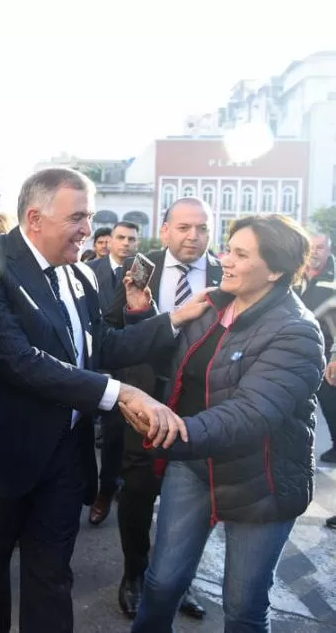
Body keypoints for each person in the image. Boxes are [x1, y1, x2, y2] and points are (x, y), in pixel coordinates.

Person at [0, 167, 204, 633]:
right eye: (79, 218)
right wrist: (120, 392)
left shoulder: (81, 275)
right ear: (35, 218)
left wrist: (176, 319)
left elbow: (103, 346)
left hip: (64, 461)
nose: (90, 230)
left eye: (89, 217)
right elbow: (19, 361)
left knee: (51, 578)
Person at [129, 214, 324, 633]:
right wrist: (148, 317)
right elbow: (176, 373)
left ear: (274, 270)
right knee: (161, 582)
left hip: (262, 478)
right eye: (227, 249)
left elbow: (251, 414)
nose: (225, 260)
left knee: (243, 605)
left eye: (239, 254)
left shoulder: (297, 332)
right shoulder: (210, 305)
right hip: (194, 463)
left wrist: (172, 431)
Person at [105, 197, 219, 620]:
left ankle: (177, 581)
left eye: (202, 228)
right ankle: (135, 574)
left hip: (205, 405)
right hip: (146, 400)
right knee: (137, 491)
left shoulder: (228, 273)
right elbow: (112, 330)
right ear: (165, 229)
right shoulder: (140, 268)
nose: (194, 236)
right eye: (185, 227)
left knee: (196, 497)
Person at [86, 220, 140, 526]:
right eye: (120, 237)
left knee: (116, 435)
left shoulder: (145, 271)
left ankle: (107, 490)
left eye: (132, 239)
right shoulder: (90, 270)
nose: (125, 244)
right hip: (94, 362)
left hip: (130, 366)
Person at [298, 233, 336, 463]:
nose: (314, 251)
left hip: (326, 351)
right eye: (311, 247)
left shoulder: (333, 281)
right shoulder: (295, 276)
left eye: (320, 247)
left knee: (331, 400)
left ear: (328, 251)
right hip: (296, 348)